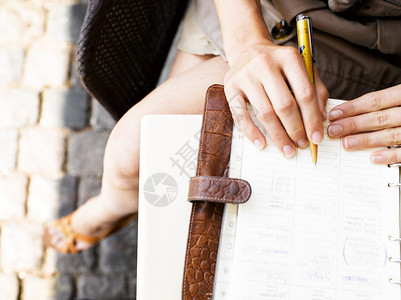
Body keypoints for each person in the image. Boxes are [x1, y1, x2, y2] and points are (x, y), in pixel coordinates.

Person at [44, 0, 401, 253]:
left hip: (365, 49)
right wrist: (245, 40)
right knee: (136, 157)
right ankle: (112, 208)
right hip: (253, 11)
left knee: (150, 168)